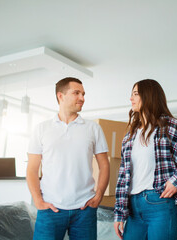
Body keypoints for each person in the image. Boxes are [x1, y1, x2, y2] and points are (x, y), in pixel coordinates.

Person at [113, 79, 177, 240]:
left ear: (149, 96)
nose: (131, 98)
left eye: (135, 94)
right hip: (133, 207)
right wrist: (119, 212)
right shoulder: (130, 135)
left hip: (159, 204)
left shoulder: (171, 126)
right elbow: (123, 176)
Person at [26, 77, 110, 240]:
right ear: (61, 96)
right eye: (76, 93)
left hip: (84, 209)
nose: (82, 98)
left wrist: (98, 195)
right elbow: (32, 169)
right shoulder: (41, 129)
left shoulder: (93, 128)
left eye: (83, 94)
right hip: (50, 209)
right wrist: (38, 201)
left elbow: (104, 165)